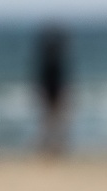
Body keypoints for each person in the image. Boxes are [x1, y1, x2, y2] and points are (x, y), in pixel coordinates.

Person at [34, 24, 70, 157]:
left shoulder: (48, 59)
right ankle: (51, 148)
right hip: (53, 94)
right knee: (52, 124)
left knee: (51, 124)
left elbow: (44, 80)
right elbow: (54, 80)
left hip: (52, 94)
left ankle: (52, 148)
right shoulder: (53, 60)